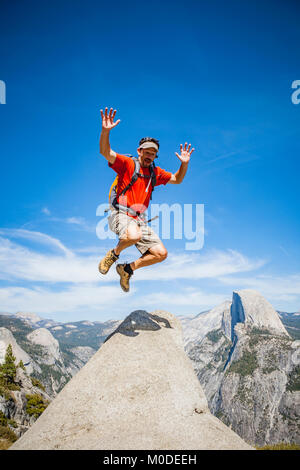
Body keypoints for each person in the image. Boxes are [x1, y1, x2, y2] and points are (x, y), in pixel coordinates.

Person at [98, 107, 195, 292]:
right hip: (120, 213)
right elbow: (105, 151)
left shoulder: (155, 173)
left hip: (138, 220)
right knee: (134, 235)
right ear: (139, 151)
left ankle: (127, 269)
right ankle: (113, 254)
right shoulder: (127, 164)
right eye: (147, 152)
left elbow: (177, 179)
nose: (150, 155)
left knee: (160, 254)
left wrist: (184, 164)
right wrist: (106, 131)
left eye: (153, 153)